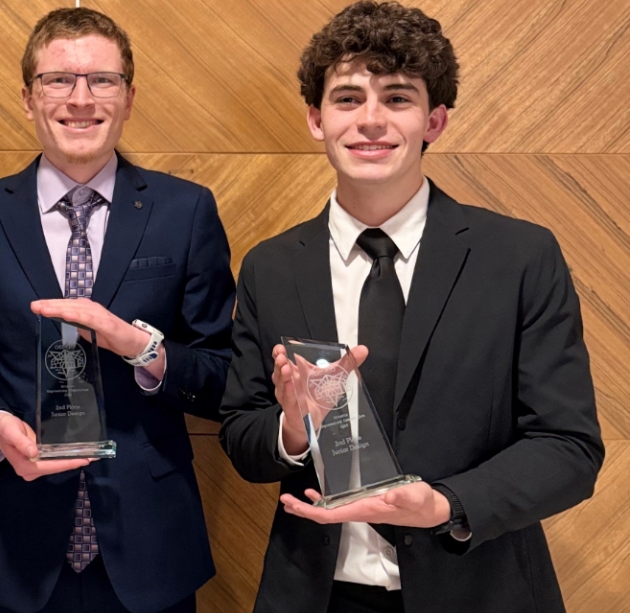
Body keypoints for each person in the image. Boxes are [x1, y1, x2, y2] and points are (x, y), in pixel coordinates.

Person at [218, 2, 604, 612]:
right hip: (315, 595)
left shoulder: (521, 256)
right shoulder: (271, 266)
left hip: (479, 587)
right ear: (317, 119)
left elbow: (569, 447)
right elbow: (242, 433)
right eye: (347, 99)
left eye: (397, 98)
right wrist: (294, 427)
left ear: (436, 120)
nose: (370, 120)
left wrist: (446, 503)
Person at [0, 7, 235, 613]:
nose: (81, 98)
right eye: (58, 80)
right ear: (27, 97)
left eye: (102, 80)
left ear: (129, 97)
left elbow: (223, 375)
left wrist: (141, 350)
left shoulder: (186, 211)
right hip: (14, 552)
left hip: (152, 554)